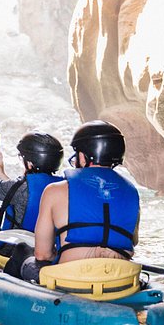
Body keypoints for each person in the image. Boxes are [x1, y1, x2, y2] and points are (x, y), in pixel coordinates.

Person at [25, 120, 140, 282]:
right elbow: (131, 243)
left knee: (26, 262)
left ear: (84, 156)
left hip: (71, 279)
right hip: (118, 279)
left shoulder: (54, 190)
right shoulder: (132, 192)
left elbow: (42, 254)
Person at [0, 130, 64, 276]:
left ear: (29, 163)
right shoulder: (63, 187)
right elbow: (25, 193)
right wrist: (1, 173)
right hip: (49, 252)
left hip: (13, 253)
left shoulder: (18, 188)